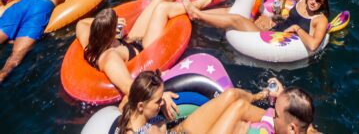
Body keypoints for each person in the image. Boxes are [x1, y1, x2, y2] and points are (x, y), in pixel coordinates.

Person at [76, 0, 214, 100]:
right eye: (116, 23)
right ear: (109, 34)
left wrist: (108, 24)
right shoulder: (109, 58)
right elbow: (128, 86)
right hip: (144, 49)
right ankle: (198, 6)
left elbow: (81, 23)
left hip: (129, 41)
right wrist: (159, 95)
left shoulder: (90, 43)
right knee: (162, 9)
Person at [115, 70, 315, 134]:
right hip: (177, 131)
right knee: (236, 106)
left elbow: (129, 100)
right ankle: (262, 96)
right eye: (157, 101)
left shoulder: (135, 112)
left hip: (178, 130)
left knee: (233, 98)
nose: (161, 103)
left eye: (275, 113)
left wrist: (162, 98)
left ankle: (261, 95)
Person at [185, 0, 330, 56]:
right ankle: (202, 14)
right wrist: (282, 0)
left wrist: (296, 28)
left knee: (236, 19)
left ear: (323, 2)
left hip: (273, 41)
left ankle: (198, 15)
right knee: (239, 15)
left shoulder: (320, 20)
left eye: (318, 0)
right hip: (273, 30)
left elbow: (312, 45)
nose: (313, 2)